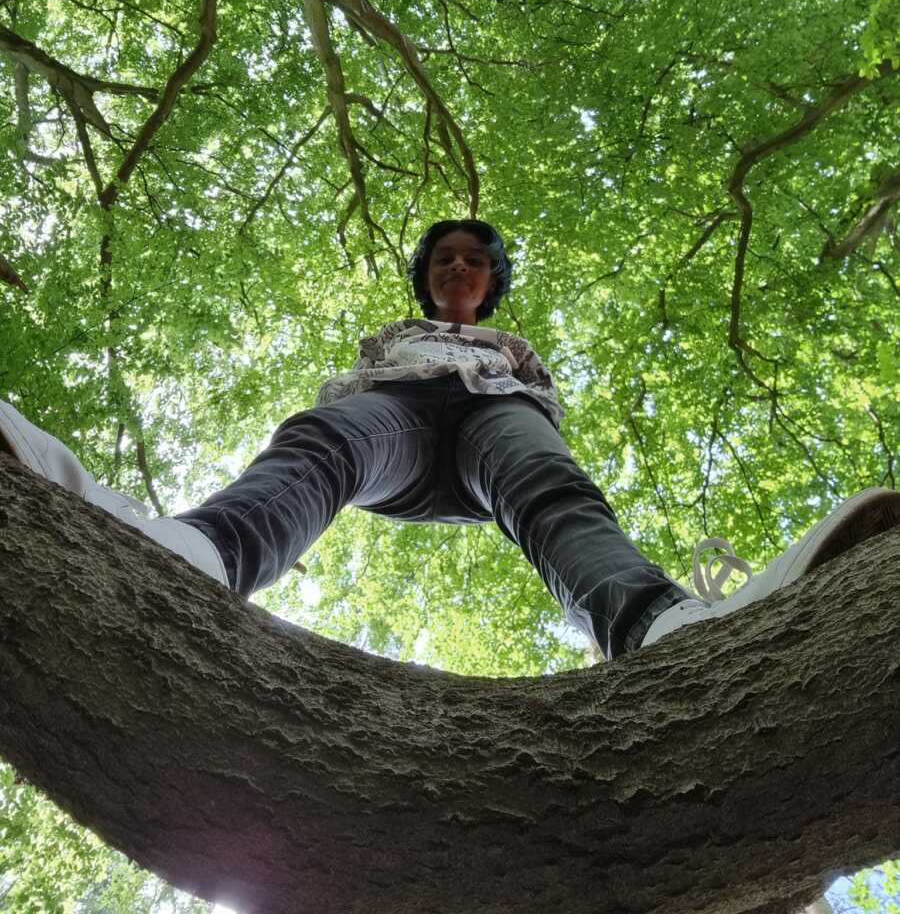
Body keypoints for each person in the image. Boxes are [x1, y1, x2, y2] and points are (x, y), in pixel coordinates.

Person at [2, 219, 898, 659]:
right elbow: (352, 395)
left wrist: (509, 400)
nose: (457, 266)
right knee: (318, 450)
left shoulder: (513, 348)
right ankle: (191, 555)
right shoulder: (393, 337)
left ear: (490, 279)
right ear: (430, 280)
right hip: (396, 413)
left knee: (554, 495)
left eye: (472, 259)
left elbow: (536, 410)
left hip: (489, 424)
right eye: (443, 260)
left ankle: (665, 629)